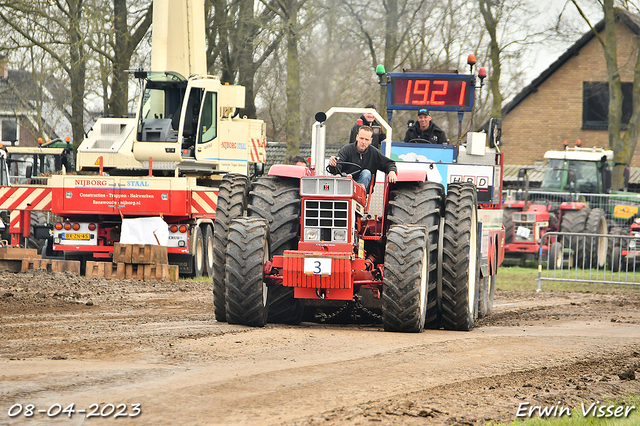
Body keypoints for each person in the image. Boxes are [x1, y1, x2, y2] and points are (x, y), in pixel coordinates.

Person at [329, 125, 397, 190]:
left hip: (363, 187)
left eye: (366, 139)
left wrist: (392, 171)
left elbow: (389, 163)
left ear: (370, 140)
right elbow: (336, 168)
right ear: (357, 137)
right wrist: (333, 165)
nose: (363, 142)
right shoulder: (346, 150)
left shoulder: (374, 153)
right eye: (361, 138)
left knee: (366, 172)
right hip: (346, 185)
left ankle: (360, 193)